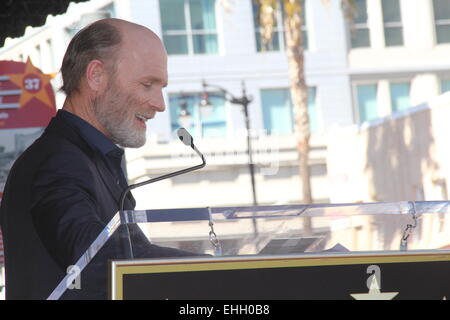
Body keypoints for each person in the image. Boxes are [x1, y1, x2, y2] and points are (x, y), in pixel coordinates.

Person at [0, 18, 199, 300]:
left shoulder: (90, 158)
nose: (160, 104)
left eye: (161, 87)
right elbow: (100, 258)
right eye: (147, 85)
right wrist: (222, 271)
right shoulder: (60, 162)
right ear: (96, 76)